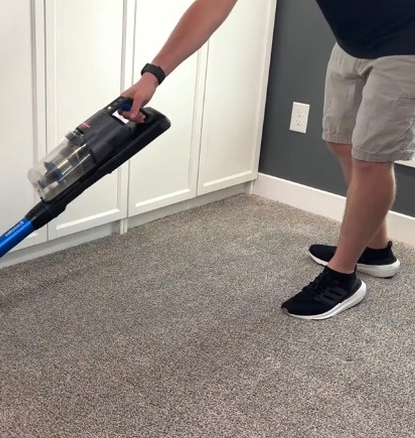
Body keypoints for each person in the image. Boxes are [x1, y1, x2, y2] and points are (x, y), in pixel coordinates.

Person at [121, 0, 415, 320]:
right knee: (341, 141)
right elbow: (213, 4)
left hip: (406, 46)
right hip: (352, 44)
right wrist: (153, 74)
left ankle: (342, 276)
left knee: (372, 160)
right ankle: (375, 250)